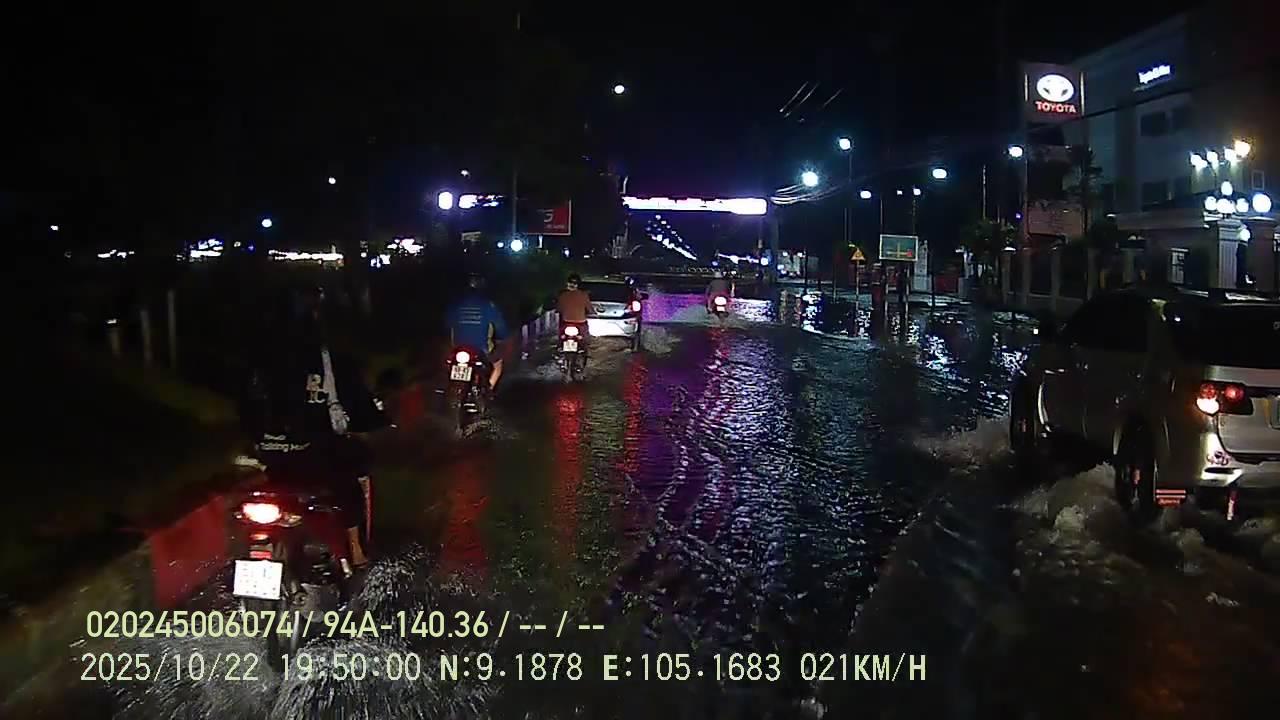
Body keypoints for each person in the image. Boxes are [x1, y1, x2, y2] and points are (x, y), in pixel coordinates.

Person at [241, 286, 386, 566]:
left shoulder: (262, 363)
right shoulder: (331, 363)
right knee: (352, 480)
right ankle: (356, 552)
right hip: (316, 457)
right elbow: (360, 407)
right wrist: (376, 421)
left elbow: (246, 406)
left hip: (271, 457)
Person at [444, 274, 509, 392]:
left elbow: (447, 325)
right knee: (498, 365)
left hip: (457, 347)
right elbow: (500, 326)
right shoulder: (488, 305)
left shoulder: (456, 305)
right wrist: (502, 337)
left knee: (448, 364)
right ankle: (488, 390)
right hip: (482, 348)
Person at [557, 273, 593, 340]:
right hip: (580, 322)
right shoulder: (584, 295)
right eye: (571, 282)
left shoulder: (563, 295)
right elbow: (589, 308)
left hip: (566, 322)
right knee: (585, 337)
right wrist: (592, 313)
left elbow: (559, 308)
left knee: (561, 335)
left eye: (574, 283)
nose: (572, 284)